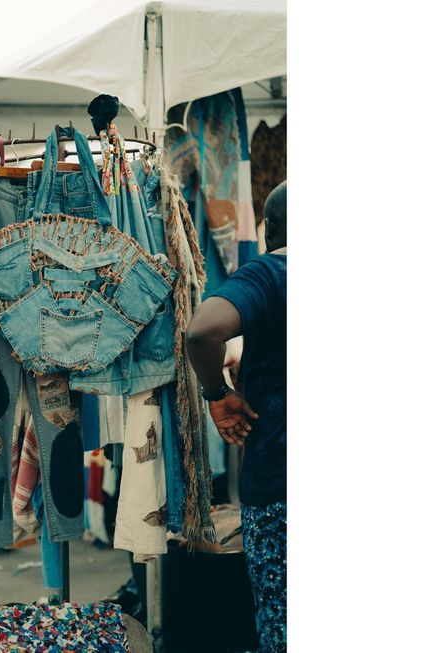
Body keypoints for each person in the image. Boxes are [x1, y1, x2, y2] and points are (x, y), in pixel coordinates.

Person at [185, 180, 287, 653]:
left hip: (279, 485)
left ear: (270, 231)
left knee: (283, 617)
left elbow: (202, 332)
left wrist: (217, 394)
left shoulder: (271, 274)